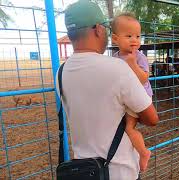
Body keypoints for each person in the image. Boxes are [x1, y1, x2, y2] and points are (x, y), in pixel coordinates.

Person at [58, 1, 159, 179]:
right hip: (120, 171)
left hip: (85, 171)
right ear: (98, 29)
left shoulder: (61, 72)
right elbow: (152, 118)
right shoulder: (117, 67)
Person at [111, 13, 152, 172]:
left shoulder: (140, 57)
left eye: (137, 36)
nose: (134, 40)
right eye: (129, 36)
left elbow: (143, 79)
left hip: (140, 97)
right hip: (125, 97)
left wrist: (133, 63)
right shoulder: (114, 58)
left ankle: (143, 153)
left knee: (129, 128)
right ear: (115, 39)